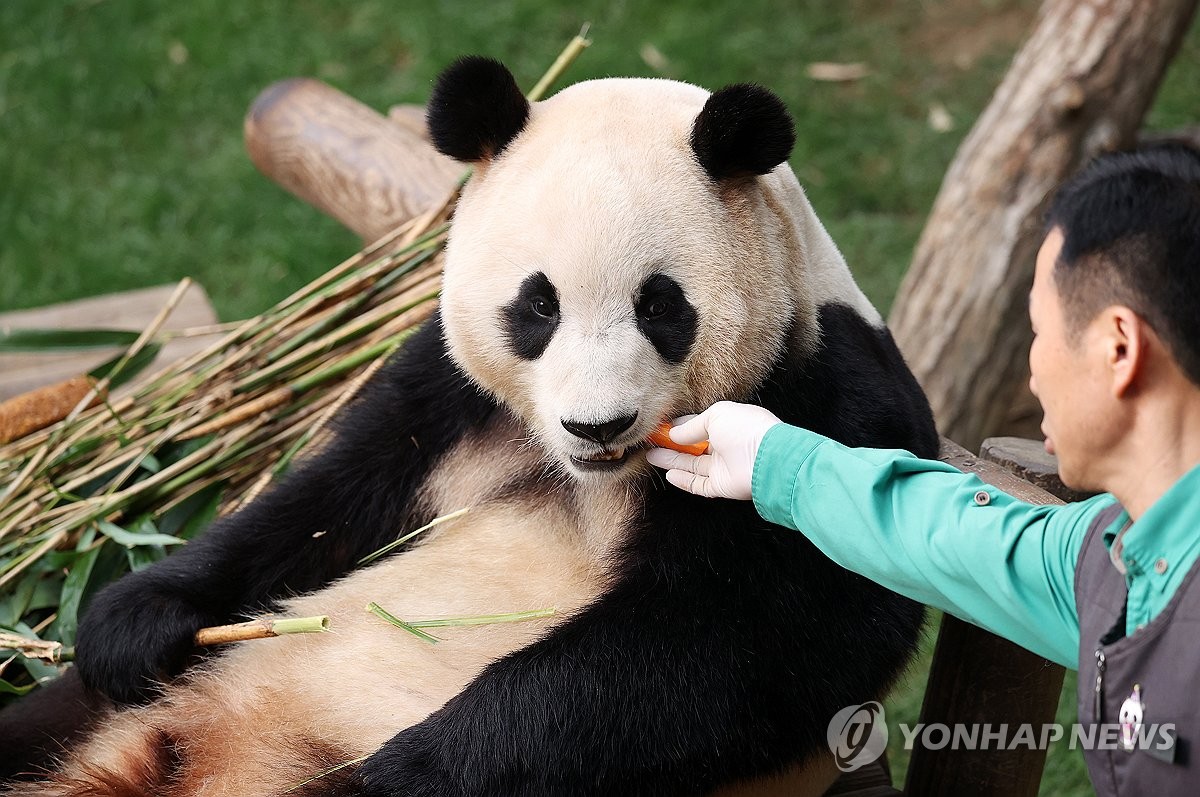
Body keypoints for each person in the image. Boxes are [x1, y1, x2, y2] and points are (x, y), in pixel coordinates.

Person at [645, 142, 1200, 795]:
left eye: (1039, 330)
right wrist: (775, 461)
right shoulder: (1128, 553)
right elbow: (973, 540)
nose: (1031, 369)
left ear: (1118, 347)